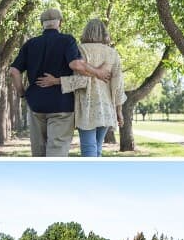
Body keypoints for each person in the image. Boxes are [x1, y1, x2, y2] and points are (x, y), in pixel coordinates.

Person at [9, 8, 110, 157]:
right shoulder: (67, 40)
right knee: (57, 152)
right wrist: (98, 72)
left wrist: (22, 93)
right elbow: (76, 65)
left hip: (36, 105)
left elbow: (13, 71)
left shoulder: (30, 44)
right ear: (60, 23)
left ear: (42, 24)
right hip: (61, 106)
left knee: (38, 152)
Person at [35, 18, 126, 157]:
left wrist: (55, 81)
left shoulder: (79, 50)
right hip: (107, 109)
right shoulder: (113, 53)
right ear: (104, 33)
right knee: (97, 150)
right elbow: (118, 84)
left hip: (87, 107)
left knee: (89, 150)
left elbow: (80, 81)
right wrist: (119, 111)